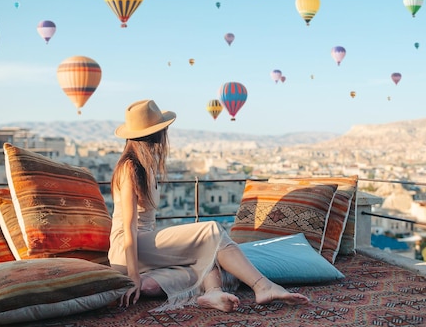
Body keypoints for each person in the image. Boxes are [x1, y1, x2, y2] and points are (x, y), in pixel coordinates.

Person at [108, 99, 309, 312]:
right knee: (211, 230)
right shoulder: (129, 168)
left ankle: (212, 292)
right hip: (128, 249)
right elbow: (129, 228)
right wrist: (133, 277)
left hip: (145, 246)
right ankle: (262, 285)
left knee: (202, 256)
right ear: (156, 133)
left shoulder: (145, 167)